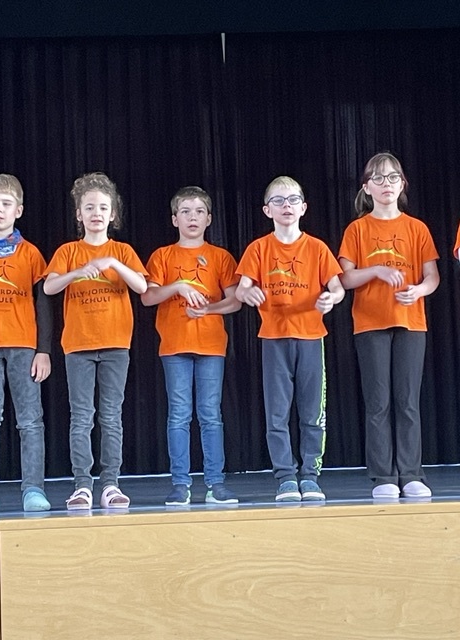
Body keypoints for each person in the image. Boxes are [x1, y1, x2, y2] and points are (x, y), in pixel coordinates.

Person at [235, 176, 344, 502]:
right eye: (279, 201)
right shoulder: (259, 248)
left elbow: (337, 287)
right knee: (277, 414)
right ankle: (285, 477)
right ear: (267, 210)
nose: (287, 206)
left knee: (312, 413)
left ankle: (310, 476)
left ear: (303, 207)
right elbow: (241, 288)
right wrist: (248, 292)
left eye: (293, 200)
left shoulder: (317, 248)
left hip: (310, 337)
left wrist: (331, 298)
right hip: (274, 337)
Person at [338, 152, 439, 499]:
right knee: (378, 402)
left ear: (402, 184)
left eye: (393, 177)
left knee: (407, 401)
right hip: (370, 323)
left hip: (411, 322)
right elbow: (345, 278)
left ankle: (411, 473)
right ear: (367, 187)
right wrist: (377, 271)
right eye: (378, 178)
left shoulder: (416, 228)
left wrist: (419, 290)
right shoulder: (357, 229)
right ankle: (383, 475)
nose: (386, 184)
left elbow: (432, 276)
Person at [44, 172, 148, 510]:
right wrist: (77, 272)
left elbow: (142, 287)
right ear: (79, 214)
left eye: (103, 207)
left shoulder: (122, 251)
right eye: (89, 207)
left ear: (112, 214)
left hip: (116, 343)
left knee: (111, 416)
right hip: (78, 345)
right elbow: (49, 287)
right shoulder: (68, 251)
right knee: (81, 417)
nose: (96, 213)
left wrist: (112, 262)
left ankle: (110, 484)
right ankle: (82, 485)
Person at [141, 186, 241, 506]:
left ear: (209, 218)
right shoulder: (163, 256)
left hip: (211, 344)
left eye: (199, 211)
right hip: (174, 344)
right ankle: (180, 483)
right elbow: (148, 297)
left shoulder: (220, 257)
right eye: (185, 212)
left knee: (210, 414)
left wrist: (209, 310)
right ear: (175, 219)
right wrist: (179, 286)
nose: (192, 217)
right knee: (179, 415)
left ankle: (215, 483)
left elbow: (235, 301)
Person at [0, 174, 52, 514]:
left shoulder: (31, 254)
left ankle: (33, 489)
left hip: (23, 344)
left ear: (18, 210)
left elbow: (43, 303)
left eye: (6, 204)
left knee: (30, 420)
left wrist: (44, 350)